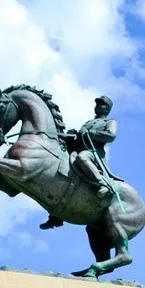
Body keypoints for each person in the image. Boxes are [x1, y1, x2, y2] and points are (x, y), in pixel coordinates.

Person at [40, 95, 118, 230]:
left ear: (107, 109)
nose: (97, 106)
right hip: (77, 152)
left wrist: (90, 132)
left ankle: (102, 184)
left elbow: (111, 136)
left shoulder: (110, 122)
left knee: (82, 158)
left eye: (101, 104)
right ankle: (56, 217)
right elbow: (79, 141)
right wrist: (71, 138)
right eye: (97, 104)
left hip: (93, 154)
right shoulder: (89, 122)